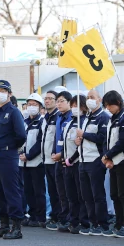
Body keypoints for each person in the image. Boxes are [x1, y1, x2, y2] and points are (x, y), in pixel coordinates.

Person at [0, 80, 27, 240]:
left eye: (3, 91)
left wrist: (10, 147)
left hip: (8, 155)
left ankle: (16, 227)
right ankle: (3, 225)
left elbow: (21, 135)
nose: (0, 93)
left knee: (11, 191)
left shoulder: (14, 112)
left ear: (10, 94)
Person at [76, 89, 110, 235]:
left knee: (97, 194)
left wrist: (84, 135)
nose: (89, 99)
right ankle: (92, 222)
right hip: (83, 160)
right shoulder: (87, 117)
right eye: (88, 97)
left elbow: (102, 138)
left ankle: (102, 223)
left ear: (99, 99)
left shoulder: (103, 117)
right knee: (86, 195)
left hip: (95, 160)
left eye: (92, 97)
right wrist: (79, 140)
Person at [102, 91, 124, 237]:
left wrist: (108, 155)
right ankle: (118, 222)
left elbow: (122, 142)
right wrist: (106, 156)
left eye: (110, 105)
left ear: (118, 103)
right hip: (112, 162)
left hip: (122, 161)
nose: (108, 108)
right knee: (114, 194)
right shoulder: (112, 118)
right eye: (106, 105)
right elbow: (106, 140)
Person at [60, 94, 86, 234]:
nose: (75, 108)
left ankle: (82, 221)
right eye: (73, 105)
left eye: (77, 105)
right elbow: (64, 142)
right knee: (70, 195)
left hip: (77, 162)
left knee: (80, 195)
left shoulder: (84, 122)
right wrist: (64, 157)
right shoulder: (70, 122)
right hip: (67, 163)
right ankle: (73, 220)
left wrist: (72, 159)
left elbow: (81, 145)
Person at [20, 94, 46, 227]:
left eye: (34, 104)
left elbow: (40, 142)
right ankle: (32, 215)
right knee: (28, 191)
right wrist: (21, 153)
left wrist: (29, 155)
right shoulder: (24, 122)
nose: (31, 107)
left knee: (38, 191)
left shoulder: (42, 122)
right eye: (29, 104)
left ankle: (40, 217)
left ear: (40, 107)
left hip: (37, 162)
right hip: (23, 162)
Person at [51, 91, 73, 232]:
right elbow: (57, 137)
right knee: (61, 192)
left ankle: (71, 218)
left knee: (69, 191)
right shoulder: (59, 117)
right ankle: (63, 217)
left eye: (61, 101)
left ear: (69, 103)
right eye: (57, 101)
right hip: (58, 159)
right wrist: (54, 151)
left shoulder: (72, 117)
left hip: (67, 159)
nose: (58, 104)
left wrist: (62, 154)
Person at [41, 91, 62, 229]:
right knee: (52, 191)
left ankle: (60, 217)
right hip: (46, 159)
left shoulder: (59, 116)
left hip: (56, 159)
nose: (47, 101)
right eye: (46, 98)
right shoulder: (46, 117)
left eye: (50, 99)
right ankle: (54, 216)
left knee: (59, 191)